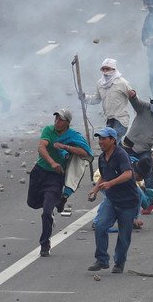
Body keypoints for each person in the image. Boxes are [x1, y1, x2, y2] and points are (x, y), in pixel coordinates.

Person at [27, 109, 92, 257]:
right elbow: (42, 147)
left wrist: (65, 147)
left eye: (61, 120)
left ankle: (45, 244)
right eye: (56, 118)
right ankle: (57, 202)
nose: (57, 121)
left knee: (46, 212)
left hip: (55, 178)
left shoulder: (73, 136)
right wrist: (52, 162)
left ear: (67, 123)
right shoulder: (48, 130)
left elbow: (85, 153)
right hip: (40, 172)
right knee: (32, 203)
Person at [87, 126, 140, 274]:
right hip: (111, 200)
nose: (100, 142)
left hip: (128, 202)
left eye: (104, 138)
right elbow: (104, 175)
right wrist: (96, 189)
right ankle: (102, 260)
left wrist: (111, 183)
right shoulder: (102, 157)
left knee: (124, 236)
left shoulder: (121, 155)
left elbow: (128, 174)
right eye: (99, 138)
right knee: (100, 226)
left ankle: (119, 263)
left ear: (113, 140)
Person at [80, 58, 133, 144]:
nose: (105, 71)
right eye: (103, 69)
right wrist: (85, 97)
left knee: (111, 144)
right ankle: (127, 157)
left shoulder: (122, 83)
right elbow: (97, 99)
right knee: (116, 146)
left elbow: (133, 98)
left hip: (121, 120)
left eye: (107, 69)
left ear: (113, 69)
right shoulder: (100, 83)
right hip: (109, 120)